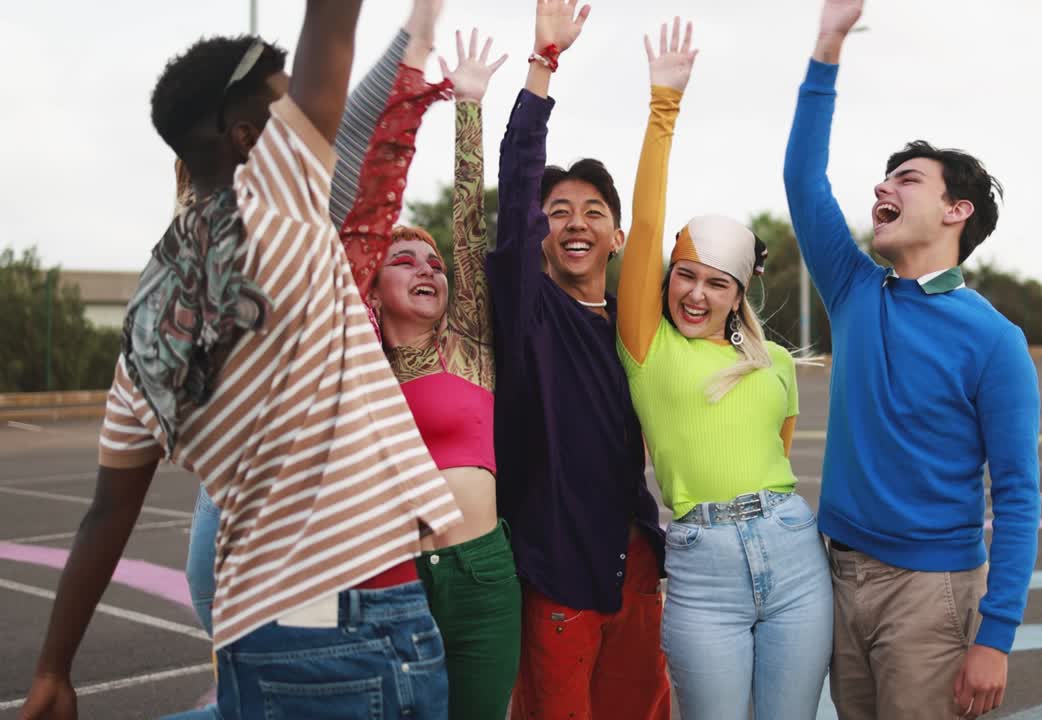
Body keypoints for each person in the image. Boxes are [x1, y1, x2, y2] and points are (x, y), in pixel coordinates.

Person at [19, 2, 463, 719]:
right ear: (248, 136)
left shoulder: (141, 332)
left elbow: (106, 514)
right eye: (287, 105)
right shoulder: (281, 201)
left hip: (251, 630)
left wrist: (52, 669)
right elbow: (334, 26)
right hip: (355, 621)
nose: (309, 120)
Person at [782, 1, 1042, 718]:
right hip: (836, 577)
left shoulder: (995, 340)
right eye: (885, 177)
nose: (883, 188)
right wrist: (827, 48)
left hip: (932, 596)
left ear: (957, 211)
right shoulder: (853, 290)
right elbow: (804, 180)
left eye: (907, 179)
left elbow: (1017, 494)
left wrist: (995, 637)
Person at [615, 19, 832, 720]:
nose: (696, 294)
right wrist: (664, 104)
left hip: (794, 552)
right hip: (702, 567)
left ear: (738, 295)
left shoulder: (775, 364)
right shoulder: (647, 347)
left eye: (716, 283)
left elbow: (777, 458)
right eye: (685, 275)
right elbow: (646, 227)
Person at [487, 1, 670, 717]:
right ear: (540, 233)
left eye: (594, 212)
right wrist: (543, 64)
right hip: (558, 569)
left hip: (634, 565)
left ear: (617, 238)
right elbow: (516, 189)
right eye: (558, 211)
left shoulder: (636, 327)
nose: (575, 222)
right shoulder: (531, 312)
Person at [336, 26, 521, 720]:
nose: (429, 268)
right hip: (392, 582)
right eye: (404, 260)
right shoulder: (360, 362)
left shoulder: (467, 345)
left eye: (434, 264)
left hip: (481, 578)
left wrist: (468, 106)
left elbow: (468, 225)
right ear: (372, 285)